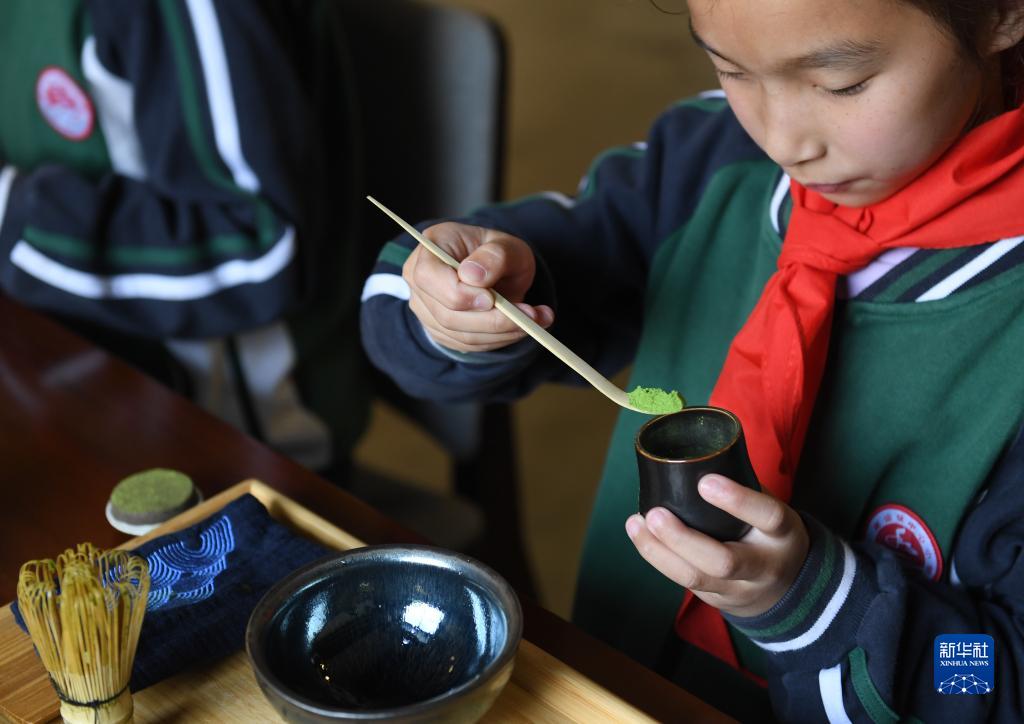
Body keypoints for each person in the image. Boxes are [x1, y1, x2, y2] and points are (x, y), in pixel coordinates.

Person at [360, 0, 1024, 720]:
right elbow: (513, 270)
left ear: (1001, 13)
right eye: (732, 69)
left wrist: (812, 601)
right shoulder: (710, 160)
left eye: (840, 85)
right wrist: (460, 305)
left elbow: (995, 682)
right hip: (622, 683)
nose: (781, 139)